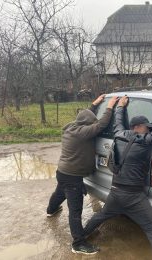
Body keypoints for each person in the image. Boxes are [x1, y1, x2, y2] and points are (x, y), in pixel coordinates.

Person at [83, 95, 152, 260]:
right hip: (134, 196)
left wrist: (120, 106)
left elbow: (118, 122)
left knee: (101, 216)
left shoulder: (118, 134)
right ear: (138, 127)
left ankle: (80, 237)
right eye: (147, 127)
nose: (149, 130)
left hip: (115, 191)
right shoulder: (145, 141)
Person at [46, 94, 118, 255]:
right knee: (75, 211)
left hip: (63, 172)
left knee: (59, 193)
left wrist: (95, 104)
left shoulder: (71, 127)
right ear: (86, 124)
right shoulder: (83, 133)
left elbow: (85, 116)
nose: (91, 123)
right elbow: (102, 124)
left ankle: (51, 209)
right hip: (72, 177)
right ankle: (78, 244)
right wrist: (109, 107)